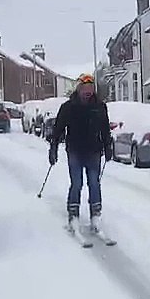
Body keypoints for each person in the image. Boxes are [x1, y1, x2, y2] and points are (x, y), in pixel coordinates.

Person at [48, 74, 113, 233]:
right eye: (84, 88)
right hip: (75, 151)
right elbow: (58, 129)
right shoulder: (68, 107)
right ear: (78, 89)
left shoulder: (100, 107)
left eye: (90, 88)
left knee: (94, 183)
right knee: (77, 183)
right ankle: (73, 214)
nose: (88, 91)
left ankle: (95, 214)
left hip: (94, 151)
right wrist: (53, 147)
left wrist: (108, 146)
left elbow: (105, 129)